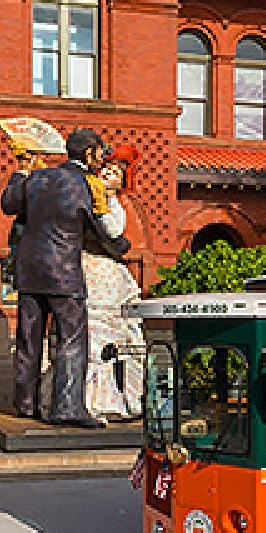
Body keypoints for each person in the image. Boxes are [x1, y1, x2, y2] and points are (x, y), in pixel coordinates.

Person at [2, 127, 129, 427]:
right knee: (72, 338)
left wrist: (21, 171)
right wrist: (122, 247)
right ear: (88, 153)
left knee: (28, 340)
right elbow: (102, 230)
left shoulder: (37, 178)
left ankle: (26, 404)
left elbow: (9, 205)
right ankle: (68, 407)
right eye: (100, 152)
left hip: (30, 273)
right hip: (64, 274)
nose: (102, 158)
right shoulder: (87, 184)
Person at [79, 144, 147, 420]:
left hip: (108, 276)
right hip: (90, 273)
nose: (110, 175)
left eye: (116, 172)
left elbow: (114, 230)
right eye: (106, 170)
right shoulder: (88, 200)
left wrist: (104, 203)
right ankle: (88, 401)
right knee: (92, 337)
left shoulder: (113, 204)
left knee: (116, 338)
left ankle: (119, 399)